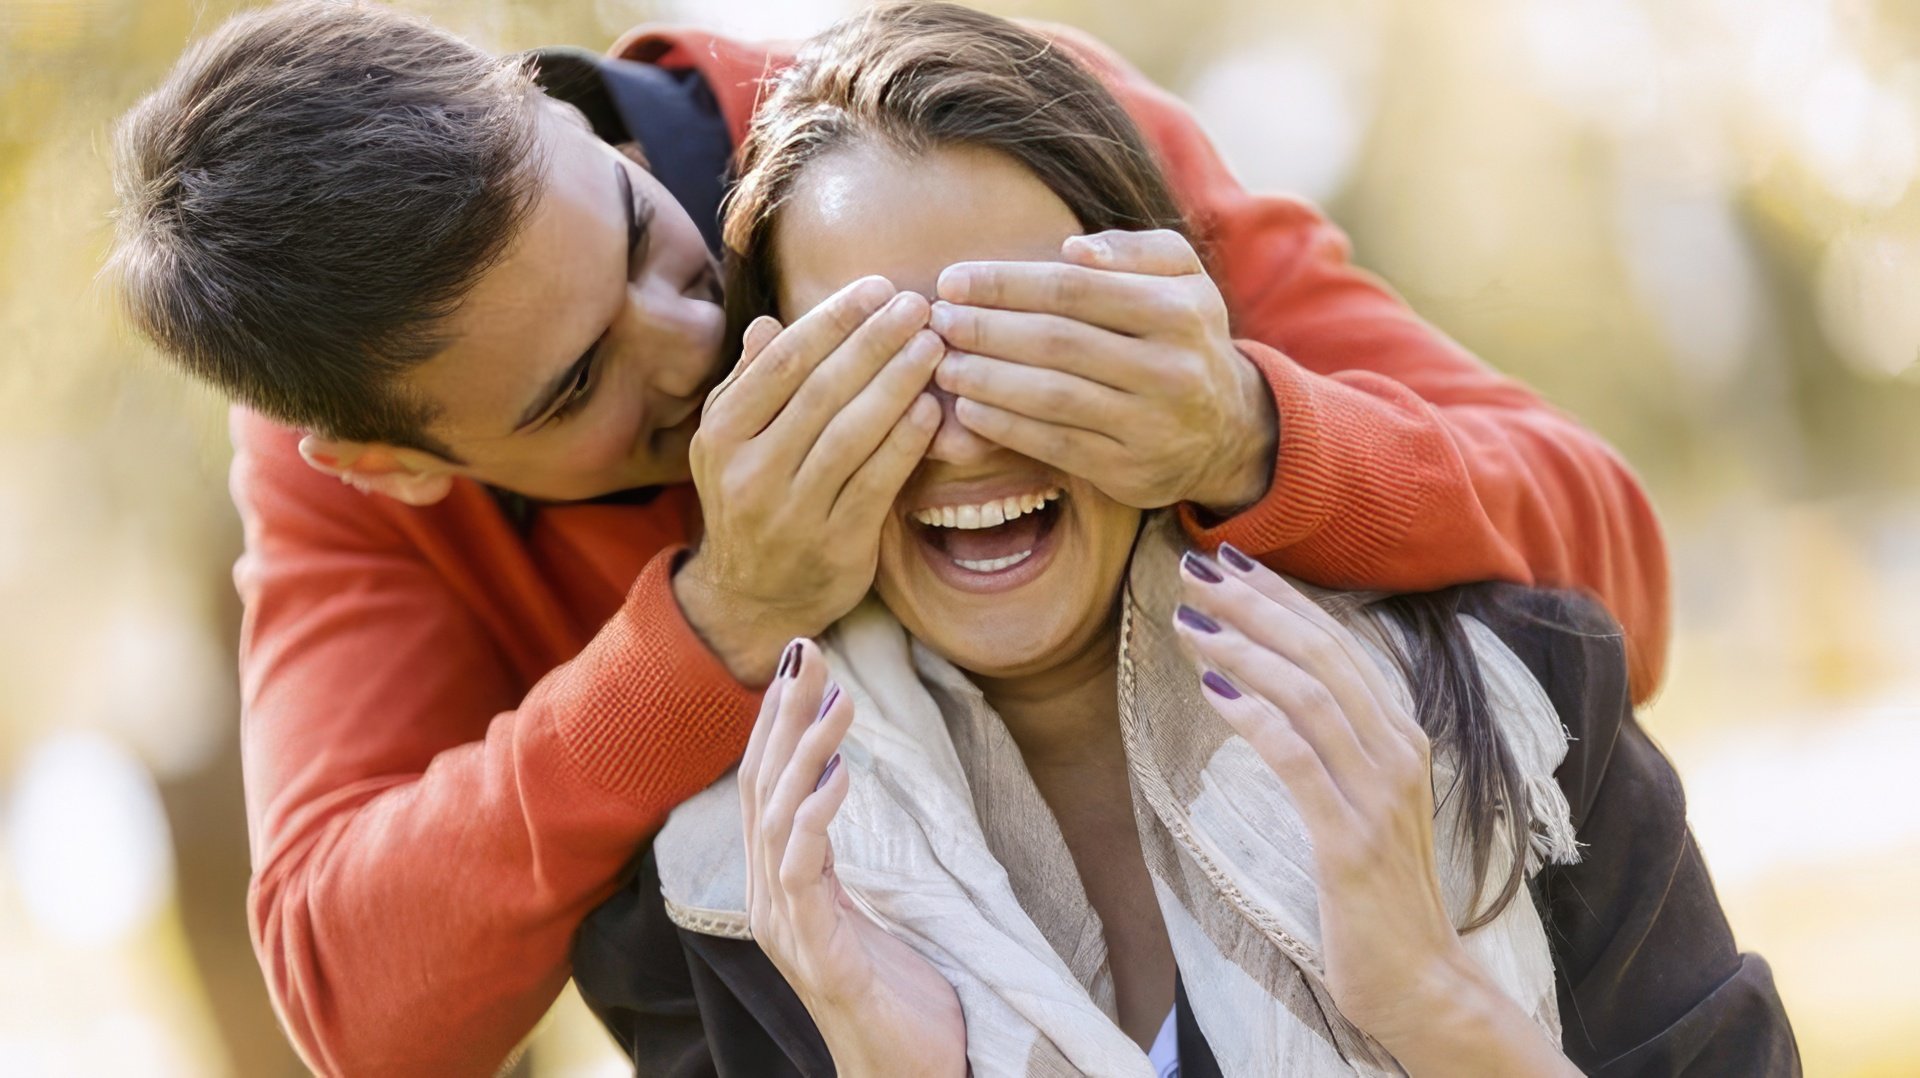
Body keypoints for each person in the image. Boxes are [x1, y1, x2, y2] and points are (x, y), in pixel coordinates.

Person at [107, 1, 1670, 1073]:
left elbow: (1614, 590)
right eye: (580, 383)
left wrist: (1255, 433)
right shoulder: (350, 485)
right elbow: (360, 1004)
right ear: (390, 461)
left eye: (644, 236)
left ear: (545, 104)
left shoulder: (975, 153)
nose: (696, 343)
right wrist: (714, 625)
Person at [572, 9, 1795, 1074]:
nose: (960, 442)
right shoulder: (711, 915)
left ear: (1170, 337)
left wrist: (1438, 1009)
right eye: (877, 372)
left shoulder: (1508, 695)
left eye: (1033, 344)